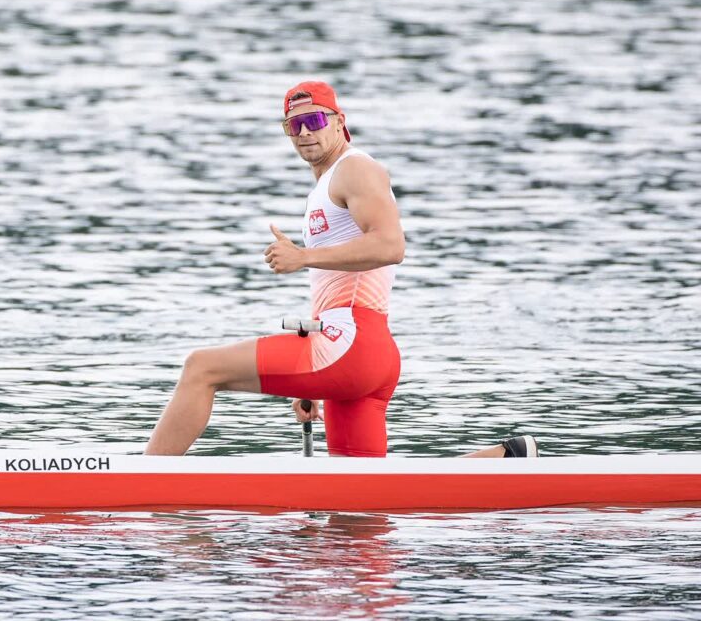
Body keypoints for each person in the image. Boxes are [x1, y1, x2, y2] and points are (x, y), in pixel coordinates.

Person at [145, 81, 537, 459]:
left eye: (314, 120)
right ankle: (509, 458)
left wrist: (303, 258)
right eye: (292, 125)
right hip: (357, 352)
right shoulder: (325, 184)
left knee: (201, 367)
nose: (303, 133)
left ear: (338, 120)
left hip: (350, 346)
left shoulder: (356, 169)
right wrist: (307, 377)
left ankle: (140, 478)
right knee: (364, 501)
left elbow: (390, 245)